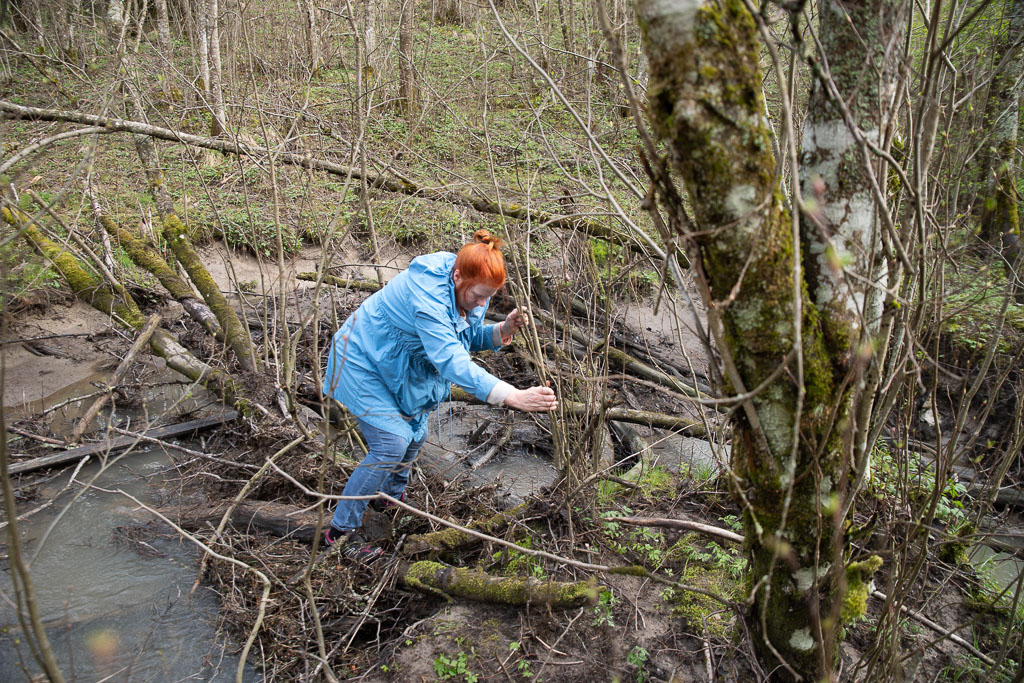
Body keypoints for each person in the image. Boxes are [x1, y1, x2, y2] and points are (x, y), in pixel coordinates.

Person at [322, 230, 558, 560]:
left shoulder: (468, 287)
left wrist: (502, 329)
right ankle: (340, 533)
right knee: (391, 443)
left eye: (487, 298)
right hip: (362, 360)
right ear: (458, 275)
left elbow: (466, 334)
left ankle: (386, 497)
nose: (481, 303)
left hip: (399, 370)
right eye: (478, 296)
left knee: (416, 435)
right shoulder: (428, 293)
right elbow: (449, 357)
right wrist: (510, 395)